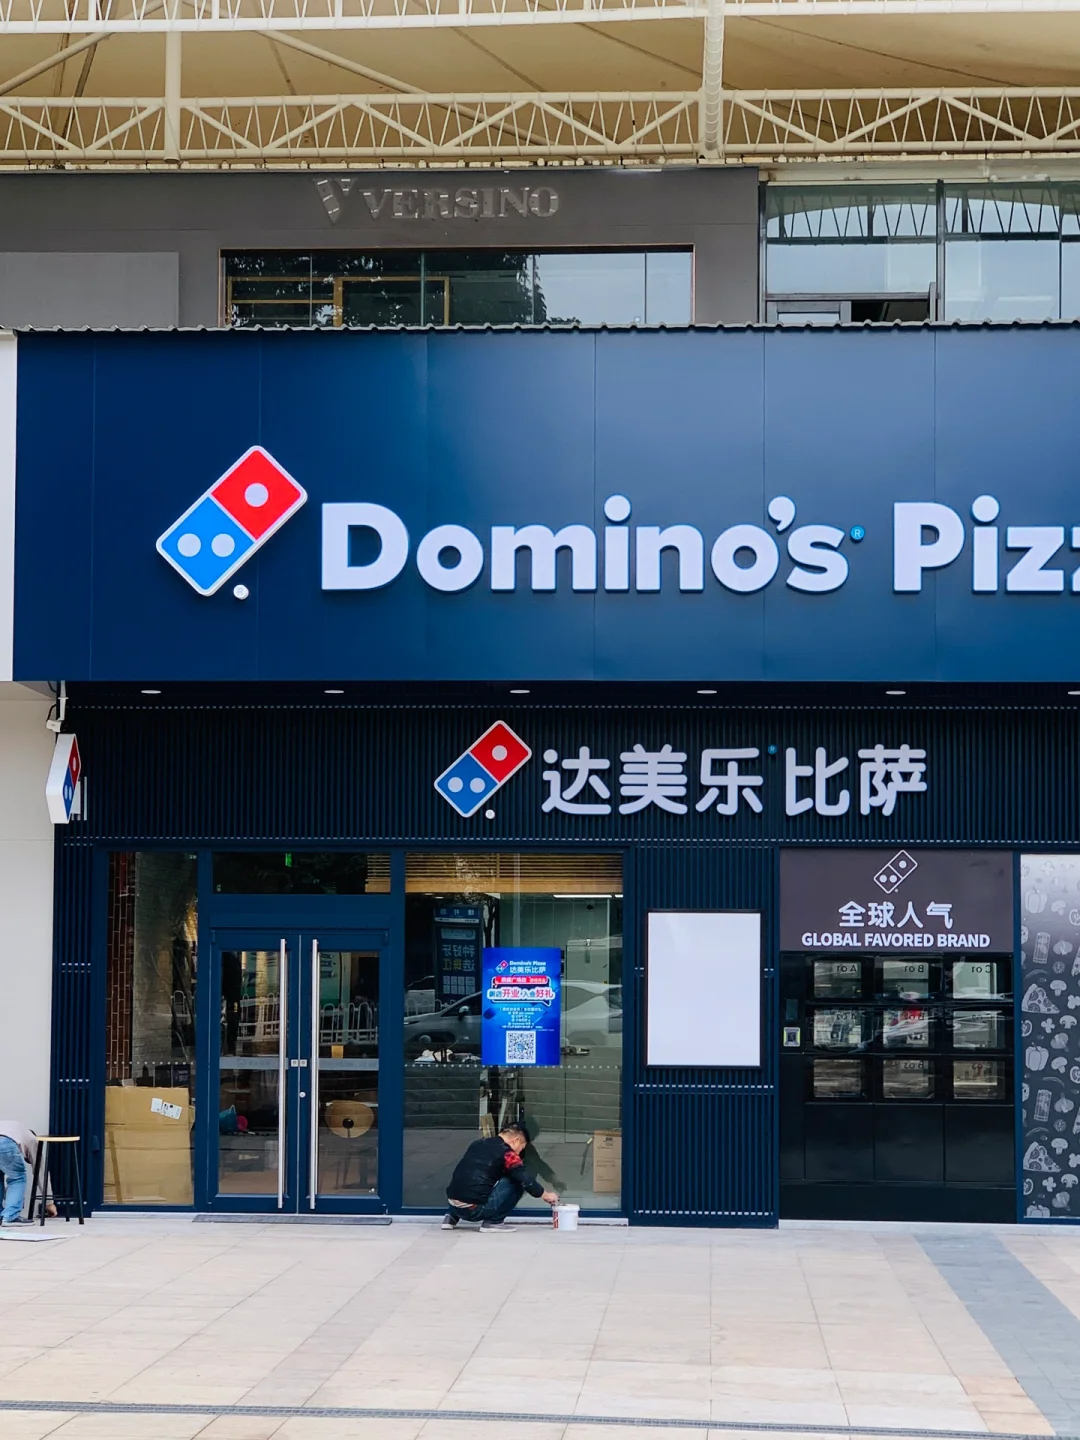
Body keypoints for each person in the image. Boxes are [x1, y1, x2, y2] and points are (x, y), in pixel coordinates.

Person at [443, 1122, 558, 1232]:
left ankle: (451, 1217)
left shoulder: (478, 1143)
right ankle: (494, 1222)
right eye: (522, 1148)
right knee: (517, 1180)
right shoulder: (508, 1153)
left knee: (469, 1176)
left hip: (453, 1205)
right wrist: (545, 1195)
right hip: (474, 1210)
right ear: (516, 1140)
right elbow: (525, 1180)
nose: (519, 1152)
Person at [0, 1120, 38, 1227]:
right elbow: (39, 1169)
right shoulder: (31, 1139)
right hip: (4, 1143)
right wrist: (49, 1203)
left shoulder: (13, 1128)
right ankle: (10, 1217)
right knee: (17, 1178)